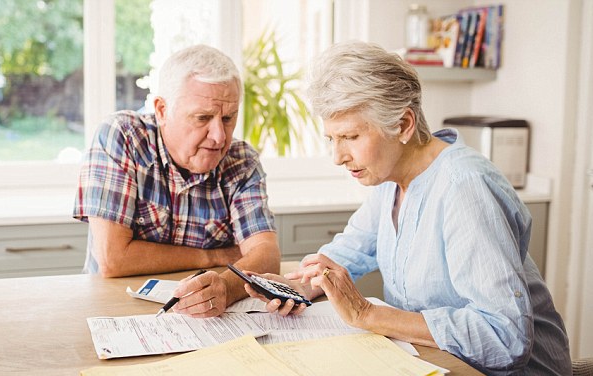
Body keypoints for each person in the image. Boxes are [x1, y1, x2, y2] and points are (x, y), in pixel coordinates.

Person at [243, 41, 571, 375]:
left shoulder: (464, 187)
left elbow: (506, 338)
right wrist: (302, 285)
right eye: (332, 139)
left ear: (403, 125)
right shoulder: (391, 179)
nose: (338, 157)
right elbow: (348, 252)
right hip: (436, 363)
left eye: (351, 137)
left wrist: (367, 315)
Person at [73, 44, 280, 318]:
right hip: (116, 311)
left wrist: (226, 288)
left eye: (228, 118)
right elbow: (113, 259)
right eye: (203, 118)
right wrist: (215, 257)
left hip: (208, 316)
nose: (219, 136)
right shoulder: (122, 137)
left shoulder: (241, 160)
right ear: (161, 110)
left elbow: (267, 256)